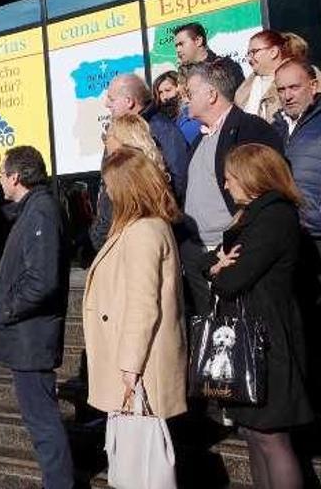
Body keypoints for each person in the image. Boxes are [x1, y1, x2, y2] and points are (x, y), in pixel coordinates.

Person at [205, 143, 313, 489]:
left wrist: (218, 269)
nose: (226, 185)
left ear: (253, 178)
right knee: (253, 433)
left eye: (230, 178)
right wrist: (216, 266)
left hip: (269, 341)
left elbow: (233, 278)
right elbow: (218, 266)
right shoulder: (254, 217)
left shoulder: (274, 216)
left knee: (271, 437)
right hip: (251, 338)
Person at [0, 146, 73, 489]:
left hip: (31, 337)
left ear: (16, 177)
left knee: (43, 422)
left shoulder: (41, 212)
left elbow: (41, 281)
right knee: (39, 420)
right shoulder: (33, 210)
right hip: (28, 336)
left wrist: (8, 308)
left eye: (1, 174)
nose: (0, 181)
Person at [83, 145, 186, 426]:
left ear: (126, 187)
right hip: (137, 358)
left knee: (141, 460)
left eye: (108, 185)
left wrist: (130, 365)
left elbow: (143, 305)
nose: (105, 193)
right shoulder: (143, 226)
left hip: (140, 364)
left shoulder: (143, 231)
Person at [180, 60, 283, 317]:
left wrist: (238, 242)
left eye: (190, 93)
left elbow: (267, 190)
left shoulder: (251, 129)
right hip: (199, 253)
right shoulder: (200, 138)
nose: (185, 100)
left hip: (232, 253)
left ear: (211, 94)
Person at [92, 114, 170, 249]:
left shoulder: (125, 178)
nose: (105, 143)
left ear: (123, 140)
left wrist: (97, 236)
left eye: (107, 137)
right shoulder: (153, 173)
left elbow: (106, 226)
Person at [105, 74, 189, 199]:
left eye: (111, 99)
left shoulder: (162, 130)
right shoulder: (118, 129)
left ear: (129, 101)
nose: (106, 104)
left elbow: (180, 180)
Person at [272, 59, 321, 249]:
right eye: (281, 90)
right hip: (288, 234)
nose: (287, 96)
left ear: (313, 85)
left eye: (294, 87)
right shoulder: (275, 127)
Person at [235, 30, 300, 122]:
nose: (249, 59)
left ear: (273, 52)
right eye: (248, 54)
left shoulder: (299, 75)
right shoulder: (245, 87)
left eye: (254, 52)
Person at [175, 22, 245, 87]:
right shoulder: (182, 76)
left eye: (181, 44)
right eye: (176, 46)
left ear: (198, 41)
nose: (178, 50)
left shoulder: (226, 67)